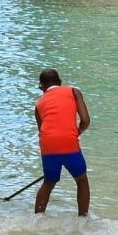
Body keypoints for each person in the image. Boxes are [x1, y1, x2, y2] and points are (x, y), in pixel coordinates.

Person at [32, 68, 91, 217]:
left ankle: (37, 220)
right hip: (69, 142)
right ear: (59, 82)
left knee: (49, 182)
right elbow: (85, 121)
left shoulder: (39, 104)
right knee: (81, 180)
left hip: (48, 145)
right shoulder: (73, 92)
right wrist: (75, 134)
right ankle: (83, 218)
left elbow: (42, 132)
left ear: (42, 86)